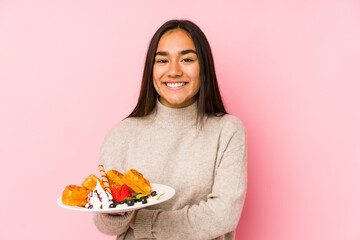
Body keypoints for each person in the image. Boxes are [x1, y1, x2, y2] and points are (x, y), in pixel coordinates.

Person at [93, 19, 247, 240]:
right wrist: (116, 213)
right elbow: (106, 225)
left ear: (204, 67)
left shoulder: (227, 131)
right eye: (162, 60)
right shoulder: (121, 135)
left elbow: (224, 215)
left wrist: (144, 221)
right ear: (151, 69)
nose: (174, 71)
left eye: (187, 59)